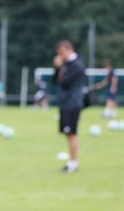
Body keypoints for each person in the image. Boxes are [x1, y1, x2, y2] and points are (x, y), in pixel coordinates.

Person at [53, 40, 87, 173]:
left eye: (61, 53)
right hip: (65, 103)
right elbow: (55, 80)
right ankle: (72, 161)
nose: (60, 56)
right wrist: (57, 68)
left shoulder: (77, 65)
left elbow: (64, 83)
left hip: (72, 103)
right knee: (68, 133)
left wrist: (60, 67)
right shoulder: (66, 64)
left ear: (68, 50)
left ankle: (73, 163)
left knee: (71, 133)